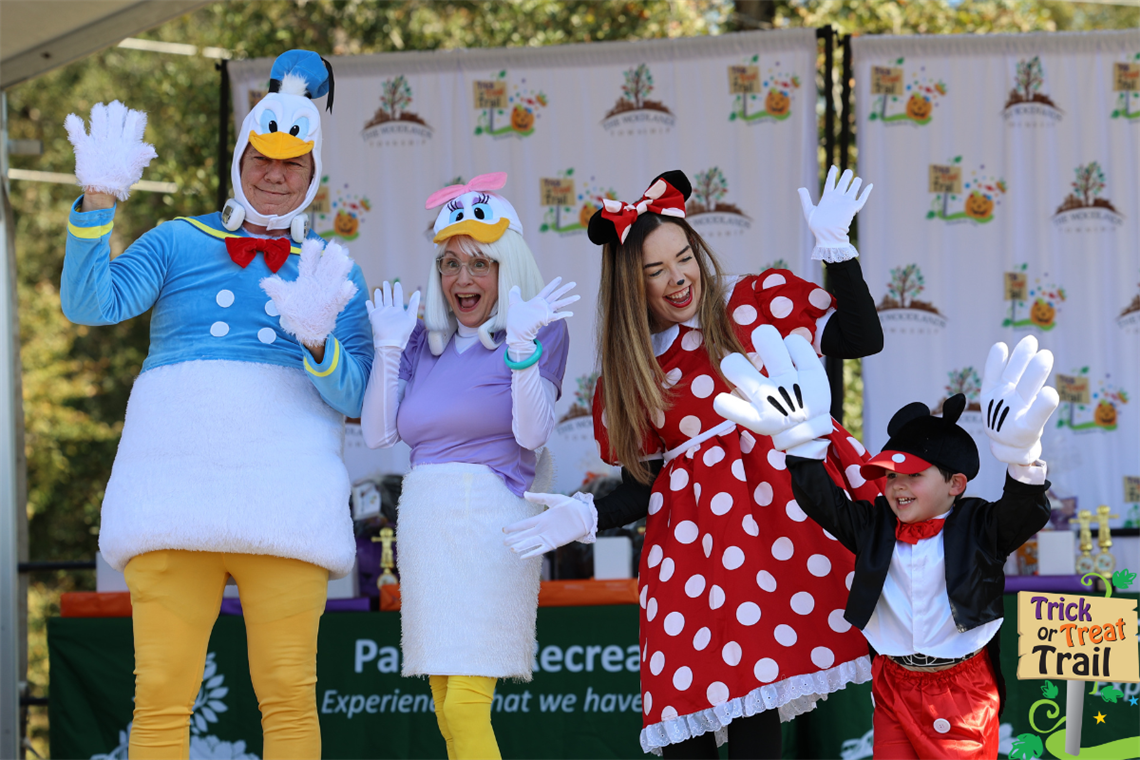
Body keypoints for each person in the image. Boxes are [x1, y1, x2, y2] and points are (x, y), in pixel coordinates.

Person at [505, 168, 884, 758]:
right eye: (655, 271)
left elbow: (862, 335)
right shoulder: (638, 364)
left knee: (757, 710)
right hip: (690, 559)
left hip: (774, 546)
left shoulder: (757, 302)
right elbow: (648, 486)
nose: (678, 278)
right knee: (688, 720)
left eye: (683, 257)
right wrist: (586, 517)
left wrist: (837, 247)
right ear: (633, 286)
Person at [60, 50, 371, 758]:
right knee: (163, 698)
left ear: (313, 175)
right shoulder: (177, 241)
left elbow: (356, 394)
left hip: (283, 503)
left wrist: (319, 342)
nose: (273, 173)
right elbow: (90, 302)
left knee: (290, 697)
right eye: (261, 155)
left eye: (292, 164)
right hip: (174, 497)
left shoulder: (330, 267)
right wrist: (98, 206)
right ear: (241, 155)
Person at [718, 330, 1057, 759]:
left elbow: (1025, 510)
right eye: (891, 475)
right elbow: (823, 503)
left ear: (955, 484)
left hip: (962, 690)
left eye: (914, 475)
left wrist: (1023, 461)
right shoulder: (873, 523)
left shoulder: (980, 524)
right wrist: (801, 446)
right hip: (893, 681)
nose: (898, 486)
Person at [359, 173, 578, 760]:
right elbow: (380, 434)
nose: (462, 279)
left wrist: (524, 351)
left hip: (490, 524)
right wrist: (385, 350)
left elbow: (531, 433)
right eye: (450, 263)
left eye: (480, 263)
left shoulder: (539, 331)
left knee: (465, 704)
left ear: (507, 266)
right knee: (443, 702)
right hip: (428, 525)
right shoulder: (420, 341)